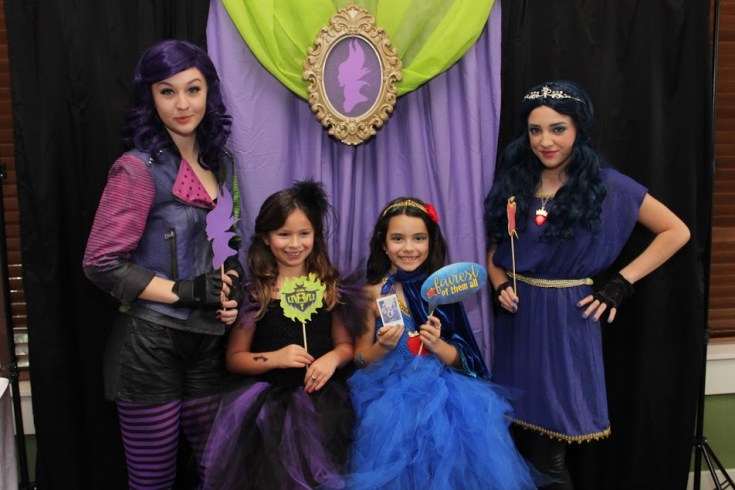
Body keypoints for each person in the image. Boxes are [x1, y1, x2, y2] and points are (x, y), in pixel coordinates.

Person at [483, 80, 690, 489]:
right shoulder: (515, 183)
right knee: (517, 445)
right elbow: (496, 248)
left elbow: (676, 231)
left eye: (557, 128)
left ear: (579, 129)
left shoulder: (607, 184)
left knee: (550, 456)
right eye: (535, 130)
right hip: (517, 322)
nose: (545, 141)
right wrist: (499, 281)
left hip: (566, 323)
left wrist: (621, 283)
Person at [83, 39, 243, 488]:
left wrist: (230, 286)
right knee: (153, 481)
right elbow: (100, 262)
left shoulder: (222, 163)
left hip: (207, 341)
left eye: (193, 89)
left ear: (209, 91)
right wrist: (181, 291)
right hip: (149, 346)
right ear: (150, 98)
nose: (182, 104)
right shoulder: (137, 169)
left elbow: (227, 243)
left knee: (219, 474)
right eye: (167, 91)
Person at [347, 197, 540, 489]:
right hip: (392, 408)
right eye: (398, 238)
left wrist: (437, 345)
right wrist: (381, 348)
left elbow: (464, 360)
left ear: (431, 242)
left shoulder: (442, 291)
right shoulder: (371, 295)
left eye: (419, 238)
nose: (409, 248)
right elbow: (359, 359)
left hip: (447, 403)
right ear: (383, 244)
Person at [201, 181, 364, 489]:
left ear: (316, 235)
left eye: (304, 233)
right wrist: (275, 358)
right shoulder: (257, 293)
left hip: (327, 408)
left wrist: (331, 359)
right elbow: (235, 359)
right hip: (271, 412)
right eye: (283, 234)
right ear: (266, 237)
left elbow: (345, 345)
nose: (294, 244)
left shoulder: (330, 287)